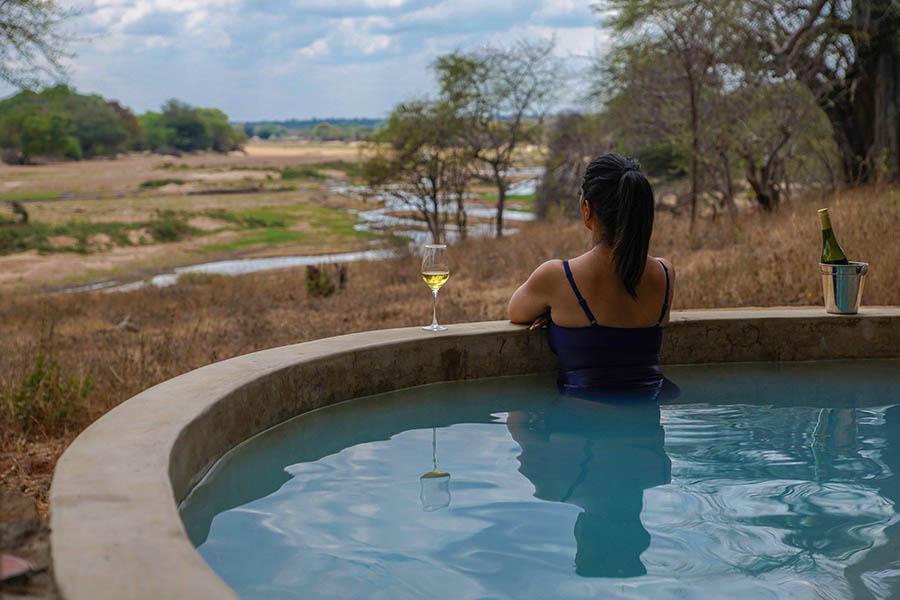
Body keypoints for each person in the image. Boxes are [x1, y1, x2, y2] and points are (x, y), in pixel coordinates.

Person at [508, 153, 675, 399]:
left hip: (580, 432)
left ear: (587, 210)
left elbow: (515, 312)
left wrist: (553, 311)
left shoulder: (558, 277)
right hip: (647, 425)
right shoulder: (664, 273)